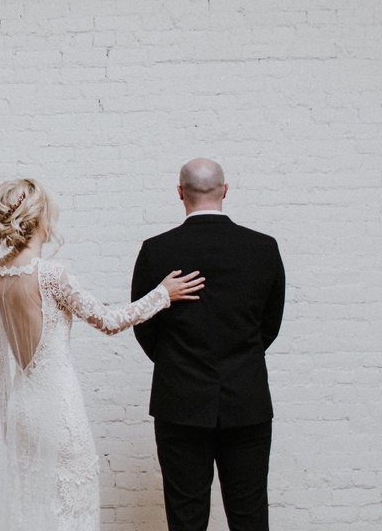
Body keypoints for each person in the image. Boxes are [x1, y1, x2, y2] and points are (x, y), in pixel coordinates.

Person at [0, 177, 204, 531]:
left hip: (21, 409)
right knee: (72, 503)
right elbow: (109, 321)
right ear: (40, 218)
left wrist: (6, 422)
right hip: (58, 409)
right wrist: (162, 294)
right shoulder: (52, 276)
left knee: (35, 508)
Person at [130, 159, 286, 531]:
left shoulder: (156, 251)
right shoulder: (263, 248)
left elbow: (143, 325)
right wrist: (241, 360)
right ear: (226, 190)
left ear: (180, 192)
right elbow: (270, 325)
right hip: (245, 400)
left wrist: (174, 361)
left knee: (186, 518)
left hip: (179, 400)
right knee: (250, 516)